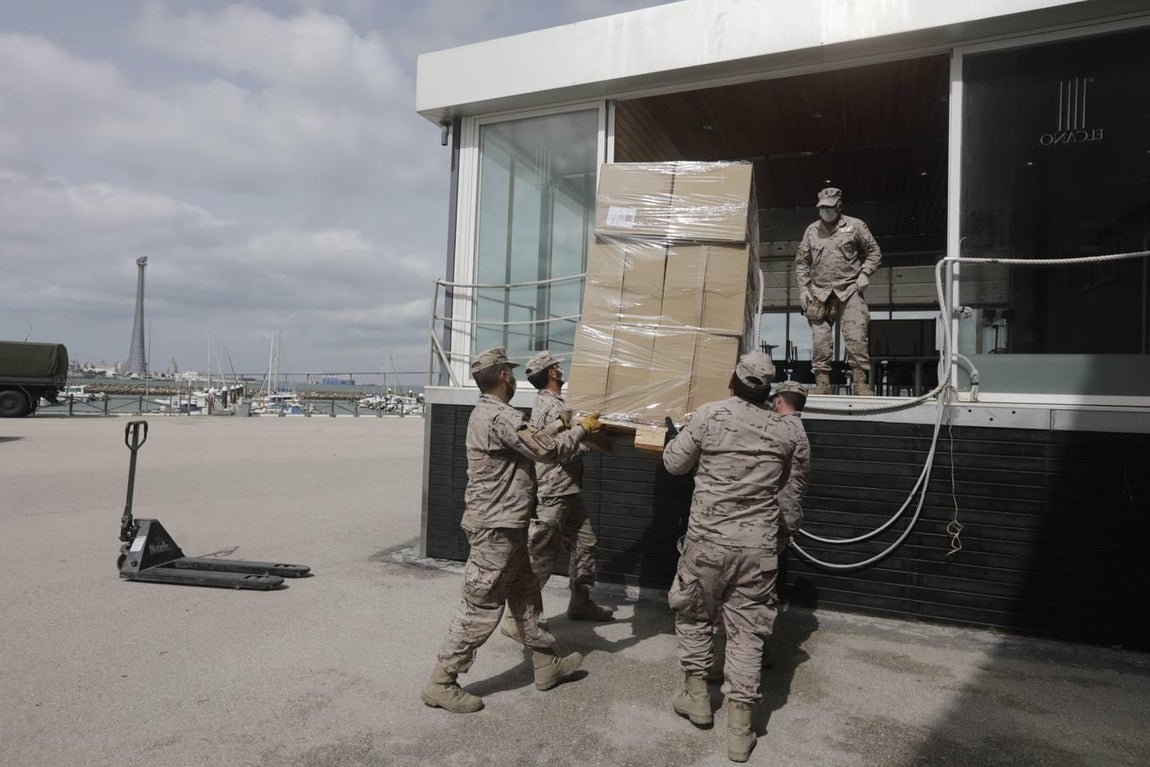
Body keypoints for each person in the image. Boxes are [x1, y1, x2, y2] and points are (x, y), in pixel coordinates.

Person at [422, 347, 603, 714]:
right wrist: (582, 429)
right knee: (482, 606)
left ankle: (544, 664)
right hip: (496, 527)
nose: (512, 375)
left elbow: (532, 436)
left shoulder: (492, 414)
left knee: (526, 595)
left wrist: (560, 424)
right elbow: (546, 450)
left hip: (509, 524)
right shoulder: (500, 415)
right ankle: (442, 681)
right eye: (510, 370)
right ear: (504, 375)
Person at [662, 351, 804, 763]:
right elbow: (790, 494)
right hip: (757, 550)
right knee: (747, 634)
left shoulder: (709, 416)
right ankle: (740, 730)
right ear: (769, 392)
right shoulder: (786, 431)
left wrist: (677, 435)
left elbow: (674, 464)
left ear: (732, 381)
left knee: (693, 617)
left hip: (706, 544)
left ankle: (698, 700)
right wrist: (780, 536)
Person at [500, 351, 613, 641]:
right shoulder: (550, 406)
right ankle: (517, 618)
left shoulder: (556, 404)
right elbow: (556, 451)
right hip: (554, 491)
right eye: (557, 367)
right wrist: (591, 440)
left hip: (568, 490)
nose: (561, 371)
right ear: (551, 374)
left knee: (586, 544)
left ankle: (580, 601)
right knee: (541, 556)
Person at [795, 187, 882, 396]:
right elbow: (801, 262)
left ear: (839, 207)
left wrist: (864, 274)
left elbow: (874, 252)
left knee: (856, 337)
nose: (825, 211)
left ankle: (860, 384)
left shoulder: (855, 226)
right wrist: (803, 289)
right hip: (819, 293)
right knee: (820, 340)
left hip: (849, 290)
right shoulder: (811, 230)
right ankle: (822, 383)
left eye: (829, 207)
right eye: (822, 208)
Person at [770, 380, 811, 553]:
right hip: (787, 514)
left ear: (779, 400)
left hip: (775, 517)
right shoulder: (798, 429)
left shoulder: (782, 428)